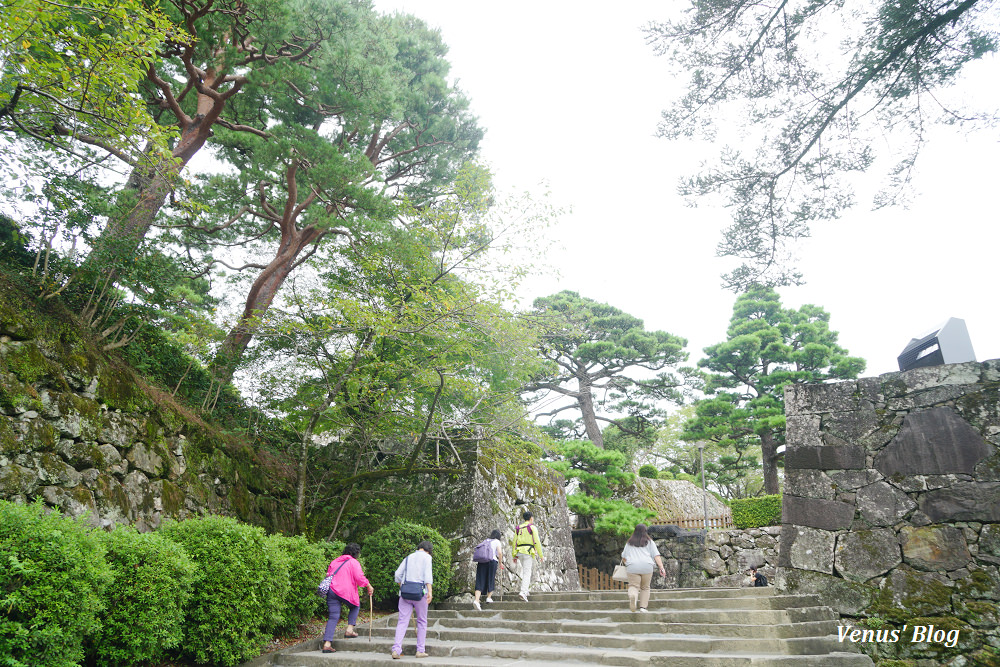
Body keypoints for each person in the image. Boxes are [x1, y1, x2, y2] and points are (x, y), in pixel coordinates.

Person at [321, 543, 374, 654]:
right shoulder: (353, 562)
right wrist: (368, 585)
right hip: (344, 591)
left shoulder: (335, 561)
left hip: (331, 590)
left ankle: (327, 644)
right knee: (355, 606)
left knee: (333, 617)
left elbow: (328, 574)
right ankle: (349, 630)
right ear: (356, 553)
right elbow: (359, 578)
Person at [391, 540, 434, 660]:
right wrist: (429, 591)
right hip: (420, 593)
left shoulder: (409, 557)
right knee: (422, 621)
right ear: (429, 551)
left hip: (405, 593)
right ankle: (420, 650)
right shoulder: (427, 558)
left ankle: (396, 649)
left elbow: (397, 574)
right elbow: (427, 575)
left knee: (402, 621)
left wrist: (402, 586)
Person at [620, 523, 666, 613]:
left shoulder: (629, 542)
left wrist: (628, 565)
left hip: (632, 566)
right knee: (645, 587)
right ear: (645, 531)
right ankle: (643, 608)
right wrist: (661, 567)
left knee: (633, 586)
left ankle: (633, 596)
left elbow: (624, 556)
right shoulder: (649, 542)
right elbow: (656, 555)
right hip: (647, 566)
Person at [512, 511, 543, 602]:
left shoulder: (518, 528)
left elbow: (514, 542)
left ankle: (526, 590)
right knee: (527, 572)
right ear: (531, 518)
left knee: (525, 571)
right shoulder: (532, 527)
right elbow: (536, 541)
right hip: (528, 552)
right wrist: (541, 555)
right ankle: (523, 592)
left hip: (520, 552)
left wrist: (514, 555)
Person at [473, 529, 504, 610]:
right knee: (491, 579)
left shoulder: (486, 540)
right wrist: (500, 563)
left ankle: (476, 600)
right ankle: (488, 598)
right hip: (492, 561)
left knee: (480, 580)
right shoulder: (497, 541)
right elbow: (500, 553)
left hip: (482, 561)